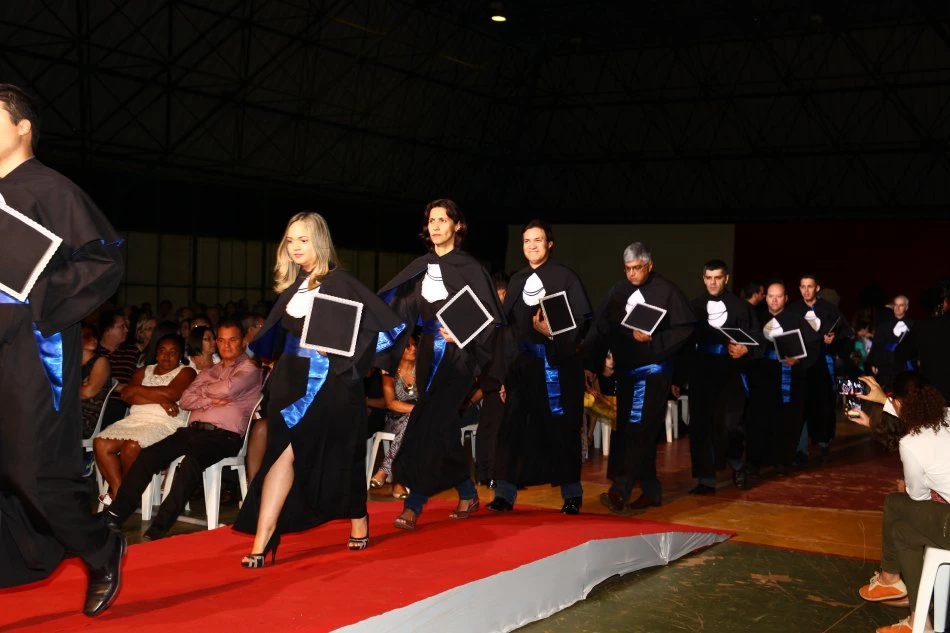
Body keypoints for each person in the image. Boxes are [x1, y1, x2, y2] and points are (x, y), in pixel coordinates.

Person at [0, 83, 126, 616]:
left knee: (35, 471)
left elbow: (105, 261)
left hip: (35, 350)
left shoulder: (51, 189)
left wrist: (37, 297)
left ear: (22, 127)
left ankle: (100, 547)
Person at [233, 212, 402, 564]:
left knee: (340, 456)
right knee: (281, 453)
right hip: (289, 380)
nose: (295, 247)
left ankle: (358, 517)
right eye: (290, 240)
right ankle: (263, 541)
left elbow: (387, 328)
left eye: (304, 239)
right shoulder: (294, 287)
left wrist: (345, 350)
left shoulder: (341, 282)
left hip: (332, 383)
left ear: (320, 241)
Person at [377, 199, 504, 531]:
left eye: (442, 220)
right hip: (427, 354)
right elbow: (399, 308)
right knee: (442, 426)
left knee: (428, 422)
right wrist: (381, 347)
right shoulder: (421, 266)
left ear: (457, 226)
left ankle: (413, 504)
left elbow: (491, 316)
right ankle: (467, 492)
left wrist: (462, 333)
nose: (435, 226)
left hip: (459, 357)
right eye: (431, 220)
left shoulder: (470, 267)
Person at [99, 321, 261, 541]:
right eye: (222, 340)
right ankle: (115, 515)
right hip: (192, 431)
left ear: (242, 342)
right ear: (217, 343)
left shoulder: (249, 369)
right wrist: (211, 398)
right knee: (148, 456)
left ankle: (159, 527)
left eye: (232, 340)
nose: (227, 345)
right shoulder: (209, 371)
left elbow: (229, 389)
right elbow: (185, 400)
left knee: (191, 463)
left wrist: (203, 392)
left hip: (224, 436)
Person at [487, 219, 592, 515]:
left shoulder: (566, 276)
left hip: (558, 366)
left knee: (562, 428)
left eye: (538, 240)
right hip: (523, 366)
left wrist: (554, 334)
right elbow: (506, 329)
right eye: (526, 241)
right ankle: (504, 494)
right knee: (512, 428)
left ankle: (572, 494)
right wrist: (504, 374)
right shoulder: (518, 280)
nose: (531, 246)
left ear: (550, 244)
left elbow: (582, 320)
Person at [583, 241, 693, 514]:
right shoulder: (619, 291)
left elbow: (685, 328)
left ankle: (620, 489)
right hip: (627, 373)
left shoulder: (667, 291)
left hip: (653, 372)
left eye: (637, 268)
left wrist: (654, 341)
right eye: (627, 268)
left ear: (649, 265)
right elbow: (601, 326)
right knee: (630, 429)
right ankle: (651, 490)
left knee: (636, 428)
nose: (632, 273)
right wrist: (591, 363)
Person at [847, 372, 950, 633]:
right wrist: (882, 404)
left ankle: (890, 578)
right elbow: (916, 421)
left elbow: (918, 497)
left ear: (901, 404)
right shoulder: (948, 416)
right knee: (902, 532)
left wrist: (908, 488)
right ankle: (919, 620)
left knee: (896, 503)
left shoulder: (911, 443)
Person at [678, 260, 759, 493]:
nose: (713, 282)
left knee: (730, 423)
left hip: (731, 371)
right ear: (703, 279)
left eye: (717, 278)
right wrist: (678, 378)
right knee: (700, 425)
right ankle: (705, 480)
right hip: (701, 371)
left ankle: (736, 463)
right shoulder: (693, 307)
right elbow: (684, 344)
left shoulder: (741, 307)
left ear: (726, 278)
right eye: (709, 278)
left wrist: (745, 349)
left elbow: (756, 338)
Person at [93, 334, 196, 503]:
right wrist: (162, 400)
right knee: (100, 443)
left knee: (132, 445)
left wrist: (139, 390)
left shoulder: (186, 372)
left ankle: (122, 497)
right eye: (162, 351)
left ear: (180, 355)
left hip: (166, 423)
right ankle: (120, 493)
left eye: (173, 352)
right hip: (134, 420)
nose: (167, 356)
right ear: (156, 353)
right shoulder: (143, 371)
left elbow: (172, 393)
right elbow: (126, 395)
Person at [788, 274, 852, 465]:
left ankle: (823, 444)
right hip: (799, 365)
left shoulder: (829, 309)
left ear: (817, 288)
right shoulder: (793, 310)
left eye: (810, 286)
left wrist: (833, 341)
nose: (806, 290)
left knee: (822, 406)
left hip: (822, 365)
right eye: (802, 286)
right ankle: (800, 450)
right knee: (800, 406)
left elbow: (845, 334)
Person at [747, 280, 808, 476]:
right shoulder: (756, 318)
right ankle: (755, 460)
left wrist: (798, 360)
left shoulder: (796, 320)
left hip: (787, 375)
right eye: (771, 296)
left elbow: (810, 347)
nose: (774, 300)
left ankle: (781, 460)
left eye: (779, 296)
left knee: (784, 419)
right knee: (758, 417)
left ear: (786, 298)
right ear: (765, 298)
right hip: (761, 374)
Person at [369, 332, 420, 499]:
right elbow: (390, 403)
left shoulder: (422, 370)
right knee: (409, 422)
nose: (413, 348)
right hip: (394, 419)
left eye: (414, 345)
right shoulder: (389, 374)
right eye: (408, 346)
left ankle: (385, 472)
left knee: (411, 423)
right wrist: (418, 410)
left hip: (420, 422)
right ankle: (398, 481)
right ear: (398, 350)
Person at [896, 284, 950, 402]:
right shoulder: (923, 327)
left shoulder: (923, 327)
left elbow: (901, 354)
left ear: (946, 303)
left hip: (934, 401)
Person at [97, 309, 142, 429]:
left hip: (120, 403)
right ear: (108, 329)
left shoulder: (131, 352)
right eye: (122, 326)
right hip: (96, 403)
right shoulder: (94, 353)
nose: (126, 330)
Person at [868, 295, 913, 389]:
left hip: (906, 362)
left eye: (901, 305)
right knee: (888, 388)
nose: (897, 308)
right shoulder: (884, 325)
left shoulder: (912, 325)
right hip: (887, 362)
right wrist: (875, 362)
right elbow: (877, 344)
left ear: (906, 307)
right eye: (895, 305)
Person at [81, 324, 112, 440]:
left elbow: (88, 392)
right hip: (70, 411)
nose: (93, 339)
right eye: (87, 336)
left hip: (87, 416)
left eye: (94, 336)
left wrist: (65, 389)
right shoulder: (71, 362)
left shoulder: (101, 361)